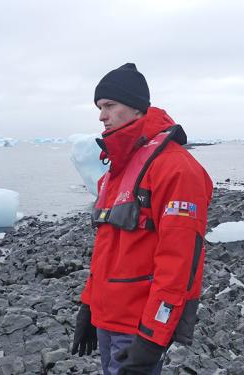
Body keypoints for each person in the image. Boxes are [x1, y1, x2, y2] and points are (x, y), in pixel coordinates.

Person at [71, 63, 213, 375]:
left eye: (110, 105)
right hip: (108, 320)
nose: (101, 116)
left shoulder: (175, 169)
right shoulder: (119, 169)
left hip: (137, 327)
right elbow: (107, 249)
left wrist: (153, 337)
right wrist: (89, 305)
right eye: (99, 107)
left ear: (136, 108)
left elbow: (179, 263)